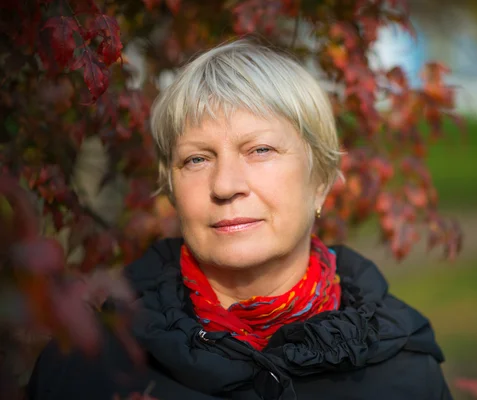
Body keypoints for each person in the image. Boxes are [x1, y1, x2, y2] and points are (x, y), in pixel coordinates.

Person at [28, 40, 452, 400]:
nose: (226, 184)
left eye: (260, 150)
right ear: (172, 191)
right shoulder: (87, 367)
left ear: (320, 180)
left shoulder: (406, 371)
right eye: (196, 159)